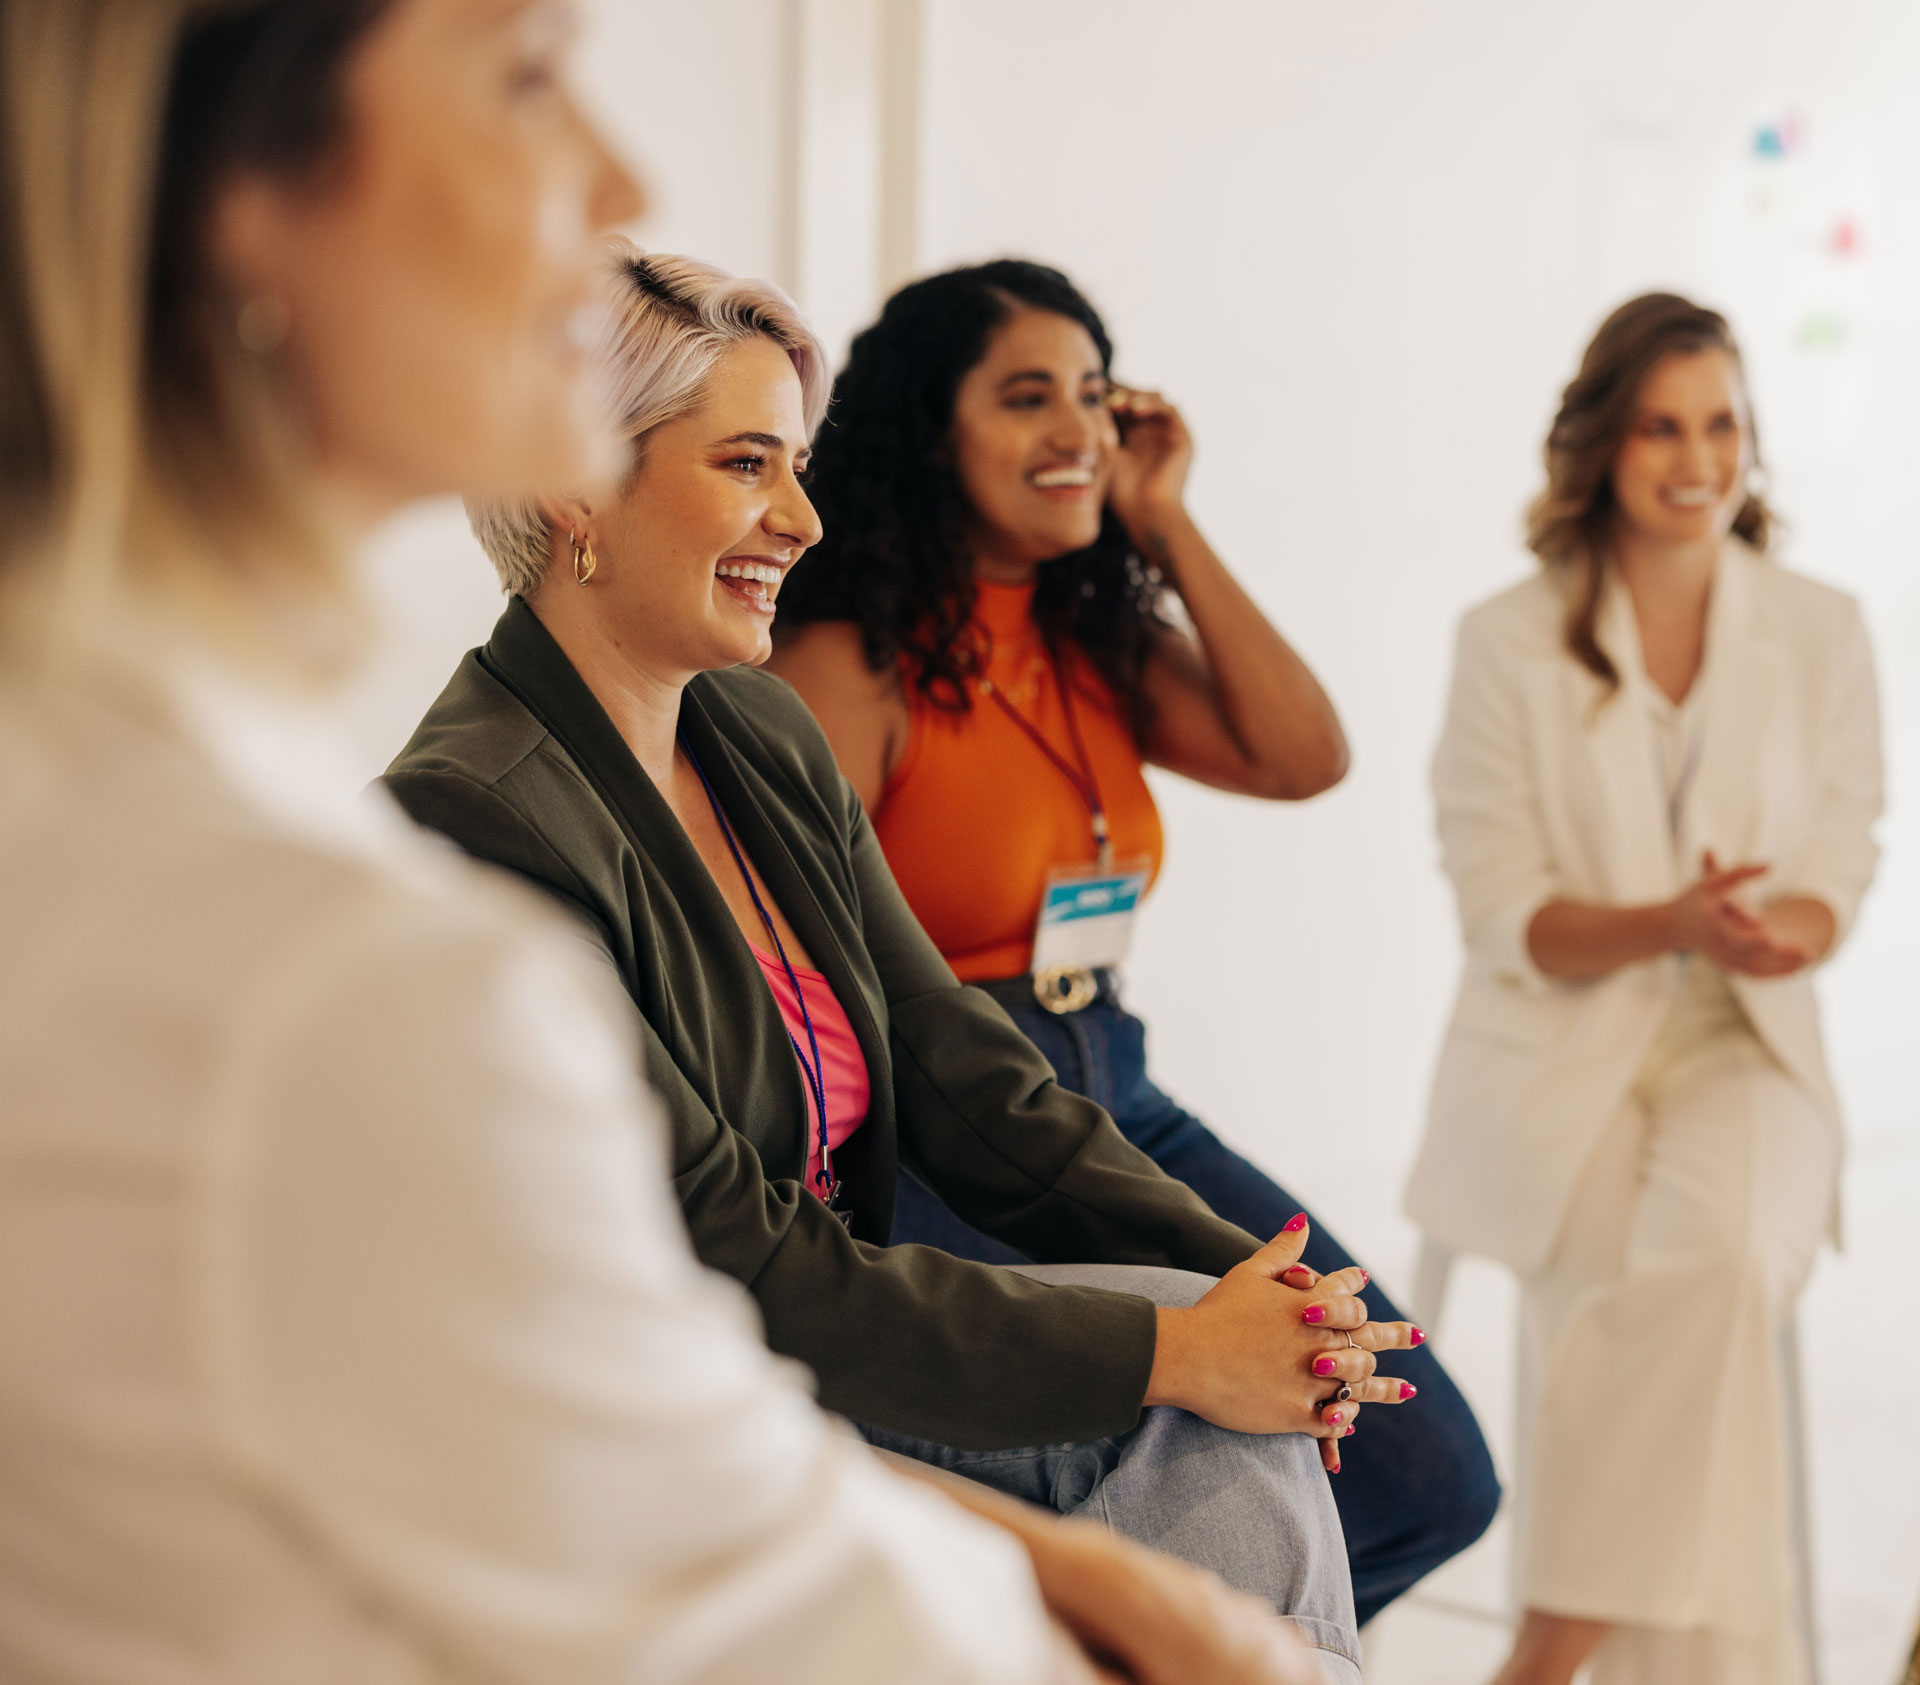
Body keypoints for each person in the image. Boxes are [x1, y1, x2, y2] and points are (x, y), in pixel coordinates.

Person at [0, 3, 1328, 1682]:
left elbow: (944, 1104)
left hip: (767, 1415)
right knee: (1234, 1489)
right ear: (244, 176)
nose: (615, 173)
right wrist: (1160, 1595)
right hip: (778, 1412)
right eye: (527, 77)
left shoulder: (717, 742)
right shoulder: (385, 936)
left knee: (1251, 1452)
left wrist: (1240, 1301)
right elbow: (731, 1513)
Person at [383, 241, 1419, 1680]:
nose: (800, 517)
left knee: (1234, 1411)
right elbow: (732, 1258)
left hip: (804, 1354)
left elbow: (961, 1070)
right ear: (575, 483)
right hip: (664, 1410)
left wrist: (1259, 1281)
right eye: (749, 461)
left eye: (797, 464)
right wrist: (1181, 1348)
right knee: (1202, 1412)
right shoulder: (480, 808)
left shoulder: (750, 729)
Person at [768, 258, 1500, 1622]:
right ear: (933, 428)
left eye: (1096, 398)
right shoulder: (845, 662)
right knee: (1120, 1486)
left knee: (1421, 1468)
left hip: (1117, 1086)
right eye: (1028, 396)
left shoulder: (1089, 633)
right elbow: (779, 966)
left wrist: (1164, 518)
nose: (1077, 431)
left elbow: (1305, 753)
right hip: (950, 1124)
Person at [1405, 293, 1883, 1685]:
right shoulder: (1509, 638)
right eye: (1663, 424)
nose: (1699, 457)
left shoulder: (1822, 626)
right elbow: (1505, 914)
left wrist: (1771, 928)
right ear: (1603, 443)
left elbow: (1841, 856)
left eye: (1724, 422)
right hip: (1557, 1047)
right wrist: (1667, 918)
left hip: (1747, 1034)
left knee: (1722, 1261)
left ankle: (1547, 1655)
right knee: (1664, 1307)